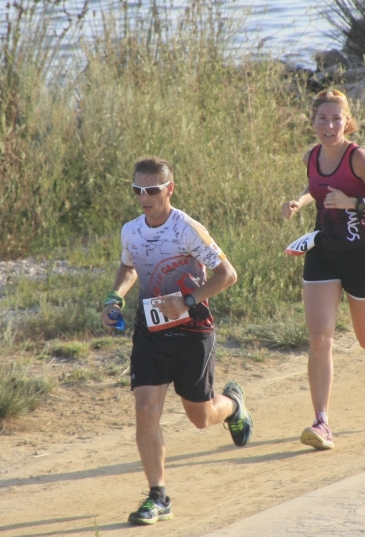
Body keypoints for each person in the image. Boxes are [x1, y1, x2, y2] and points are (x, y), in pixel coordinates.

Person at [101, 156, 253, 525]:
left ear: (169, 189)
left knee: (200, 417)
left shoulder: (186, 229)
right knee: (146, 410)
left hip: (192, 330)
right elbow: (129, 265)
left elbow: (227, 274)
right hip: (150, 333)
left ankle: (233, 405)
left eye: (152, 190)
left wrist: (186, 301)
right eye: (137, 190)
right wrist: (115, 297)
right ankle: (159, 496)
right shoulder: (131, 230)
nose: (143, 197)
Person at [281, 88, 365, 450]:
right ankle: (321, 423)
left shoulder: (358, 158)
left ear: (346, 121)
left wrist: (354, 202)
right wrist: (300, 201)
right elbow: (315, 186)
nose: (329, 124)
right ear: (313, 121)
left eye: (337, 118)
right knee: (320, 338)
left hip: (363, 255)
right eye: (322, 118)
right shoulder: (312, 155)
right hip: (324, 251)